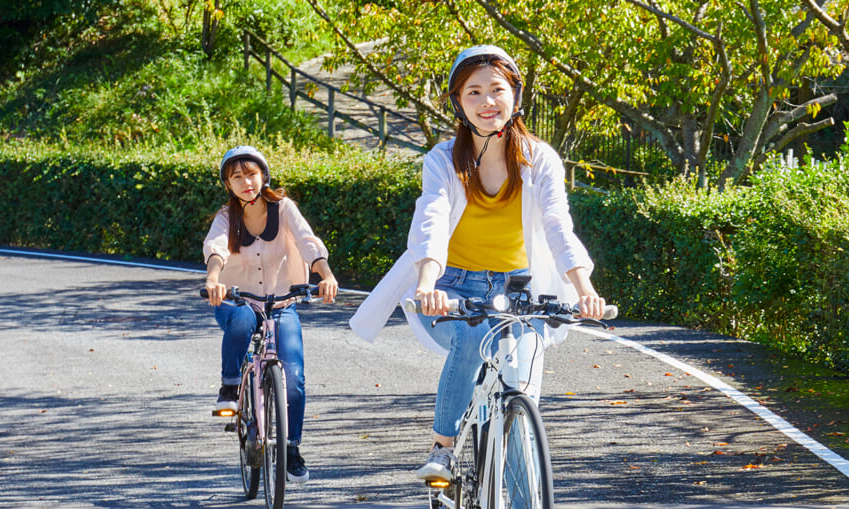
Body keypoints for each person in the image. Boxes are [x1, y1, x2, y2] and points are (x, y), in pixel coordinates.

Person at [349, 45, 606, 484]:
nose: (488, 102)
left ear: (516, 96)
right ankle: (443, 448)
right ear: (458, 101)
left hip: (519, 292)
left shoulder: (538, 158)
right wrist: (428, 283)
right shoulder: (443, 159)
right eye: (474, 92)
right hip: (451, 287)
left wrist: (584, 288)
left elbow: (557, 224)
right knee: (470, 338)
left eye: (497, 90)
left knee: (520, 406)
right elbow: (430, 221)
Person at [203, 145, 338, 483]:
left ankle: (291, 449)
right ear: (228, 184)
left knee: (294, 377)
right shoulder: (226, 218)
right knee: (244, 320)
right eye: (237, 177)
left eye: (251, 173)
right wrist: (213, 280)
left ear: (263, 175)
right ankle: (231, 387)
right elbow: (216, 247)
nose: (246, 181)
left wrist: (326, 274)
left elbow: (308, 242)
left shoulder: (283, 208)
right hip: (238, 302)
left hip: (281, 305)